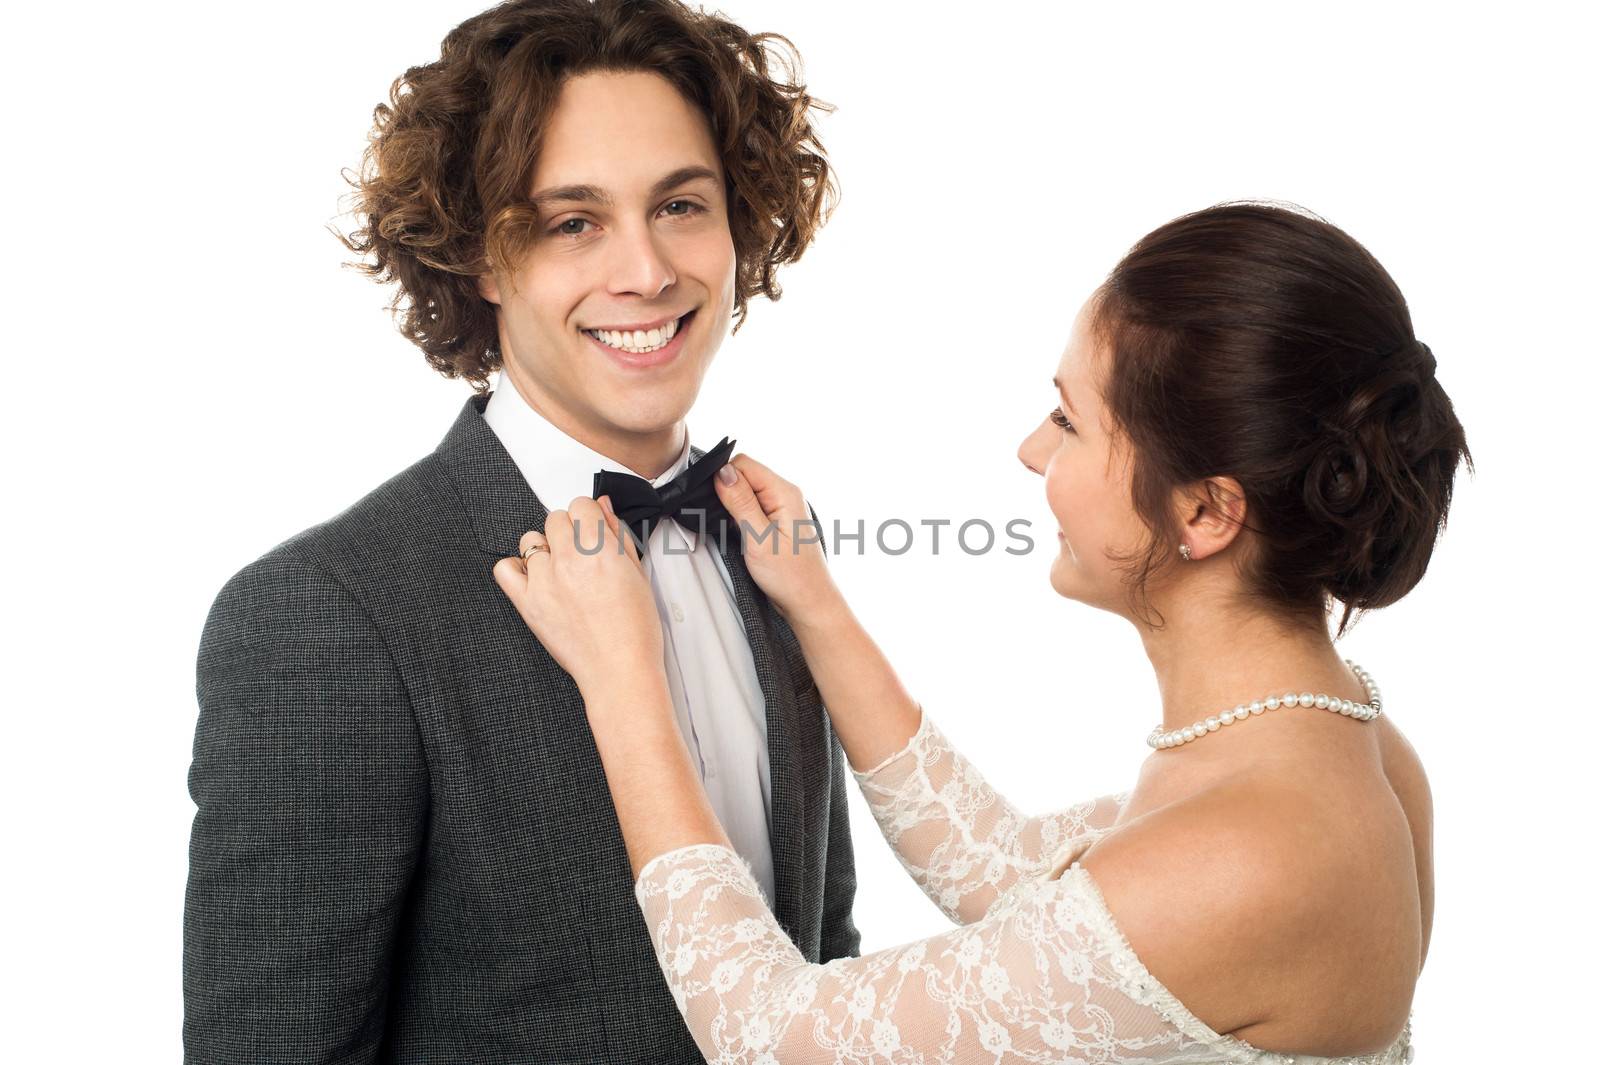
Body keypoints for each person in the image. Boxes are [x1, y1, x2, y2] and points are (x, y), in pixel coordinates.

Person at [496, 203, 1470, 1062]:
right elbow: (1008, 873)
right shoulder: (1351, 746)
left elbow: (770, 1036)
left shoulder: (1252, 856)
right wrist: (816, 606)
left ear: (1207, 515)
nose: (1030, 449)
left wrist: (623, 682)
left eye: (1069, 421)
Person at [183, 1, 861, 1060]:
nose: (645, 271)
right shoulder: (326, 611)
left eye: (681, 205)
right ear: (480, 260)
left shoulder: (768, 548)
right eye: (572, 222)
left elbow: (823, 966)